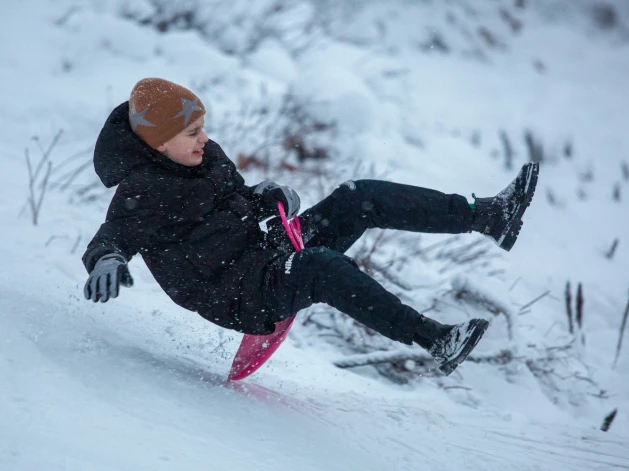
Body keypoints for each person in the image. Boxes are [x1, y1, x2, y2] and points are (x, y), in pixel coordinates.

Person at [83, 78, 539, 377]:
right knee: (318, 266)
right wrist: (106, 258)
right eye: (192, 132)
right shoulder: (143, 192)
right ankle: (436, 340)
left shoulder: (204, 155)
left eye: (203, 126)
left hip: (264, 252)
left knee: (358, 196)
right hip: (241, 295)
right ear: (160, 143)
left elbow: (235, 200)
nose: (204, 137)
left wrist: (268, 195)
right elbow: (115, 235)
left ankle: (489, 217)